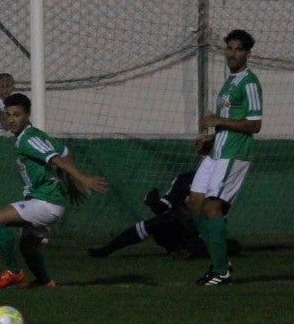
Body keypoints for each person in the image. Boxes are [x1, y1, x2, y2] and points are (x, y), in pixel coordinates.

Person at [0, 92, 107, 289]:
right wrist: (70, 185)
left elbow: (56, 159)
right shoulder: (37, 135)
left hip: (45, 202)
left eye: (17, 115)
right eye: (9, 115)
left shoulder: (28, 139)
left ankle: (14, 272)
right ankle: (45, 281)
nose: (12, 119)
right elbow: (65, 152)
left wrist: (82, 180)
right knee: (27, 247)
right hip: (46, 201)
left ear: (27, 115)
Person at [187, 29, 262, 285]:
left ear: (248, 53)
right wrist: (212, 138)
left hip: (235, 153)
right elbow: (231, 123)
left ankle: (221, 271)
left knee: (211, 207)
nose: (233, 53)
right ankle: (221, 260)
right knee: (194, 203)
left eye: (239, 49)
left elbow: (254, 124)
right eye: (230, 48)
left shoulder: (249, 82)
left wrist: (217, 120)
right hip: (219, 150)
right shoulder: (230, 81)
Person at [88, 162, 243, 260]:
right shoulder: (184, 178)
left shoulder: (219, 183)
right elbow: (162, 207)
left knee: (232, 246)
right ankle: (107, 249)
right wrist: (153, 203)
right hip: (176, 226)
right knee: (162, 220)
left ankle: (188, 250)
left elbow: (219, 213)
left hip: (200, 229)